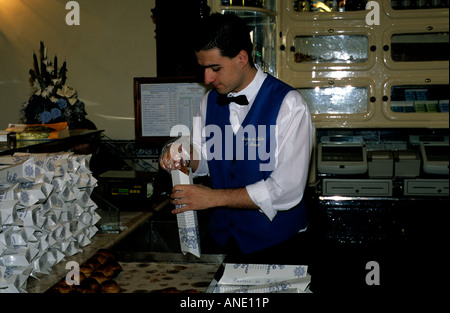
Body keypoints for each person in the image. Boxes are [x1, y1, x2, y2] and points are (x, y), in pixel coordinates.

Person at [160, 13, 315, 264]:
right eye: (203, 69)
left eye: (215, 68)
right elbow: (205, 157)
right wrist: (182, 151)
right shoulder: (209, 100)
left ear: (242, 58)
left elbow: (286, 190)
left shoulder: (289, 104)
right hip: (223, 241)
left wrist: (212, 198)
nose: (207, 79)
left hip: (277, 243)